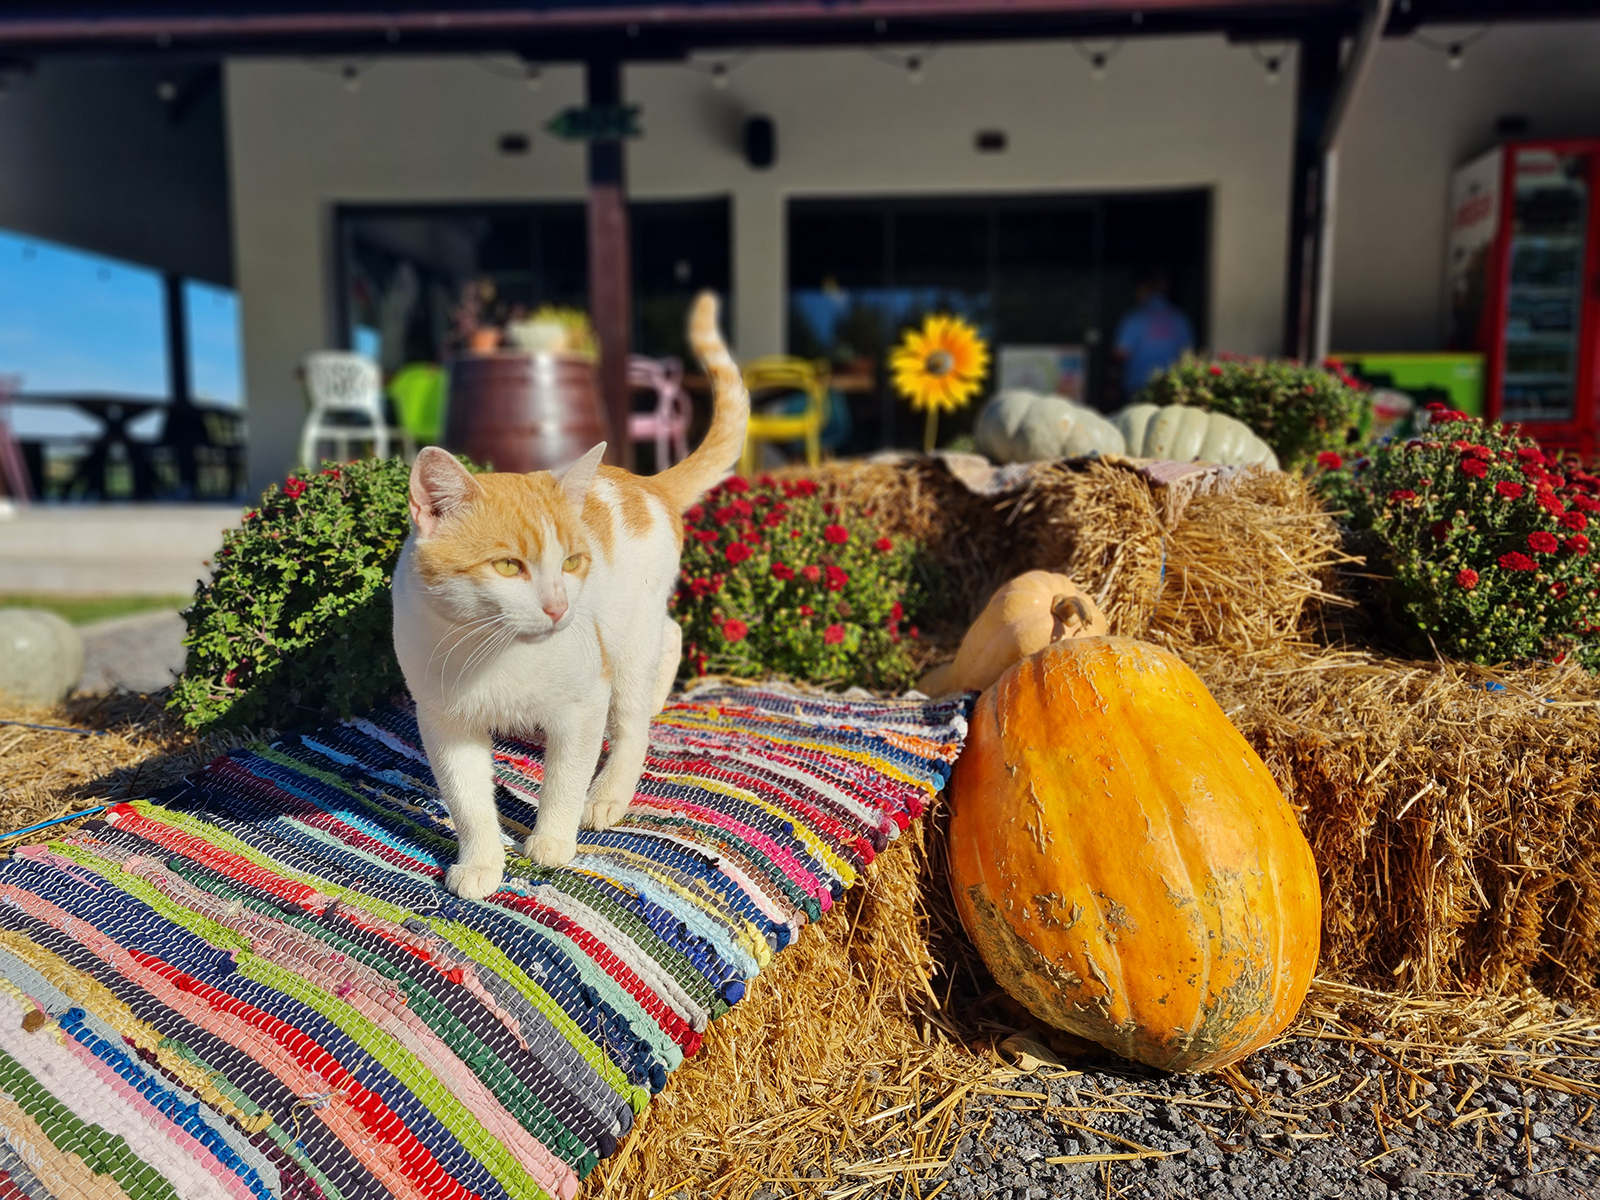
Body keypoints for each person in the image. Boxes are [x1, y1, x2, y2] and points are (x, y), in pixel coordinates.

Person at [1113, 273, 1194, 401]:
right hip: (1171, 386)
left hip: (1137, 385)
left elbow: (1121, 353)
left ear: (1144, 289)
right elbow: (1188, 354)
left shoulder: (1134, 318)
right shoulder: (1180, 318)